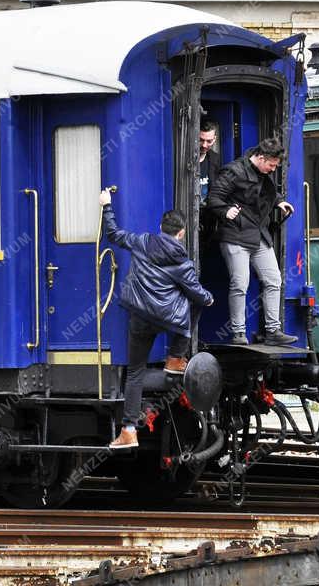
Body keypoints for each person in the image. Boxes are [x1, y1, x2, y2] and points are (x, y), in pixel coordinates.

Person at [100, 189, 214, 450]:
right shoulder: (182, 261)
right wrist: (209, 298)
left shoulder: (142, 241)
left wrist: (107, 206)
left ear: (160, 227)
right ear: (182, 233)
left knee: (136, 373)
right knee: (196, 302)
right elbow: (195, 291)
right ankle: (175, 357)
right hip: (167, 319)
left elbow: (113, 234)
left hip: (139, 316)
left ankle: (128, 431)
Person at [207, 137, 296, 346]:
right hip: (235, 235)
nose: (273, 169)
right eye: (272, 165)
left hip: (257, 233)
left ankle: (273, 330)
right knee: (240, 284)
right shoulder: (235, 171)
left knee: (274, 279)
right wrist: (225, 210)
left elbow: (266, 194)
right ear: (261, 157)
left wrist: (280, 202)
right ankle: (238, 333)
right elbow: (213, 198)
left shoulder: (263, 172)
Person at [197, 119, 222, 252]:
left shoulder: (215, 158)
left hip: (207, 217)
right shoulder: (184, 157)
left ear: (215, 139)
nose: (205, 145)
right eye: (201, 140)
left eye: (209, 141)